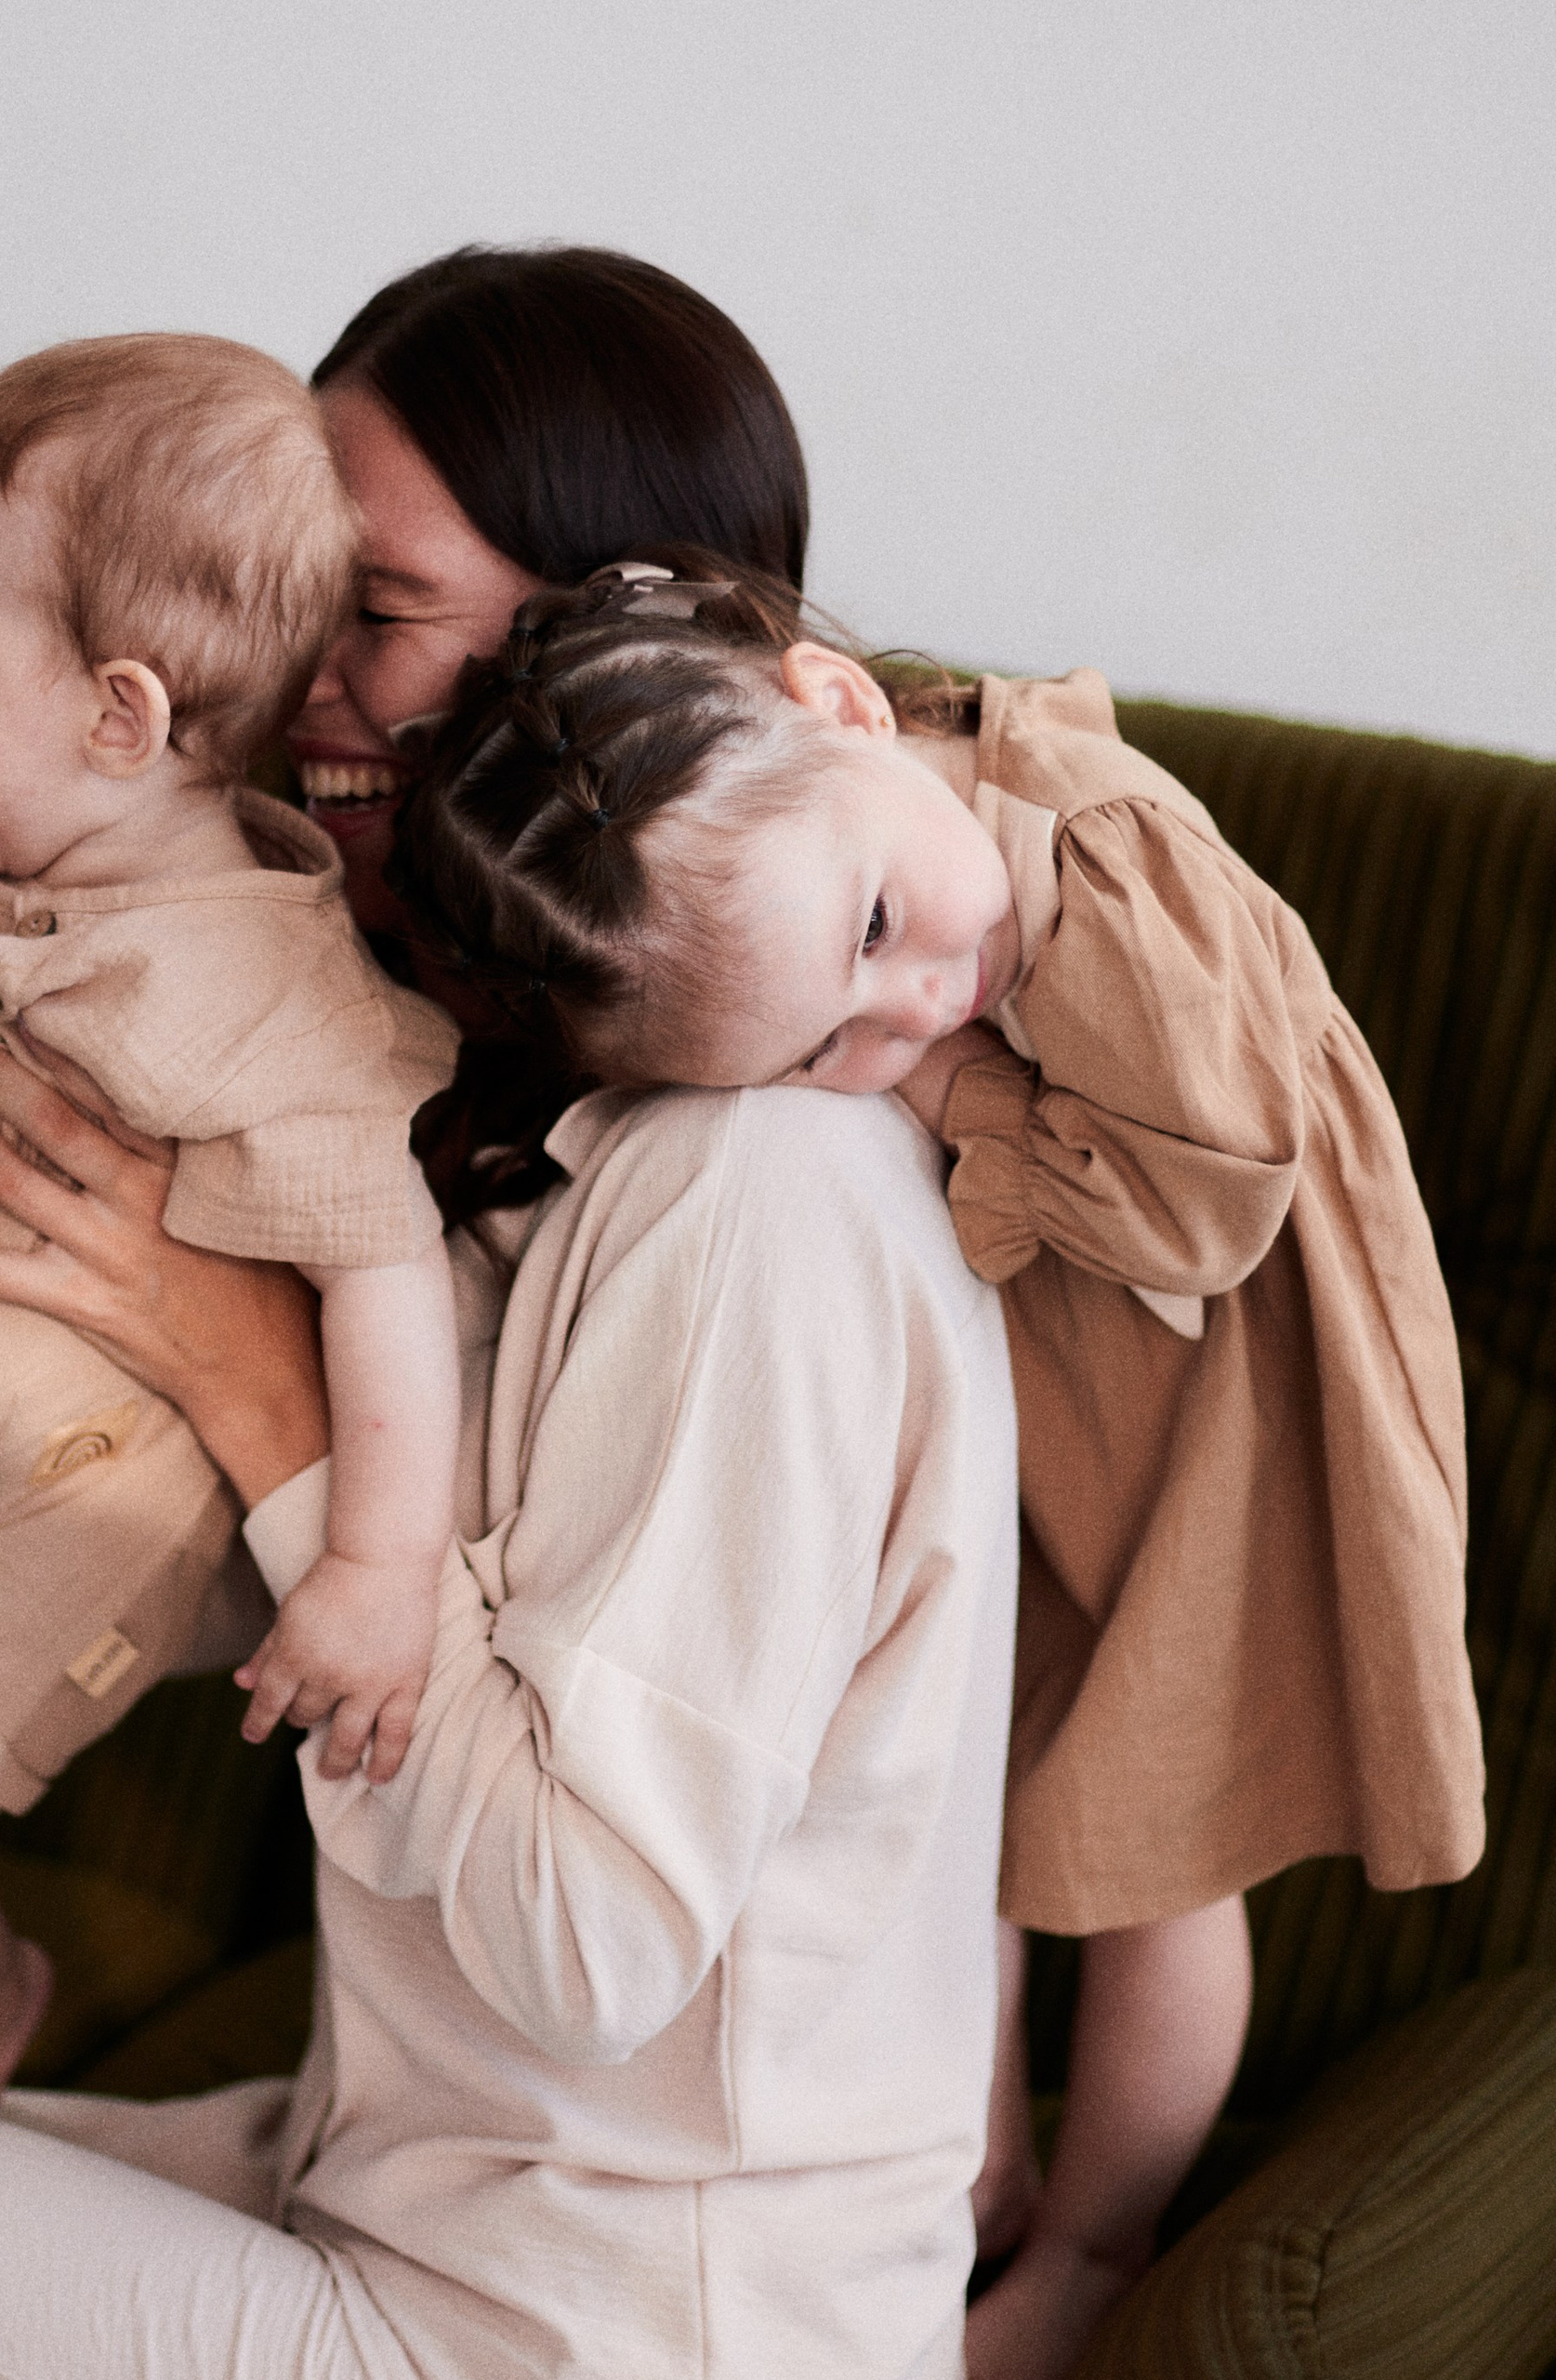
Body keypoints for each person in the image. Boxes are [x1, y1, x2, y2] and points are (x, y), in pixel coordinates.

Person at [0, 248, 1022, 2380]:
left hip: (588, 2328)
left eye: (371, 606)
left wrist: (249, 1386)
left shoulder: (758, 1194)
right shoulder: (481, 1095)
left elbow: (585, 1944)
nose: (275, 657)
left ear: (600, 648)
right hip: (413, 2193)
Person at [386, 554, 1486, 2380]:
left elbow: (1192, 1202)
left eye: (884, 925)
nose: (916, 999)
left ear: (835, 701)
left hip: (1222, 1415)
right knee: (972, 1818)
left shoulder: (1100, 852)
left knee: (1153, 1859)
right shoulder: (830, 846)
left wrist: (930, 1088)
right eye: (831, 1039)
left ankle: (1090, 2244)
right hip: (1063, 1379)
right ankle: (971, 2182)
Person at [0, 332, 460, 2113]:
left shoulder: (267, 985)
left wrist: (376, 1567)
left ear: (119, 715)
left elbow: (383, 1262)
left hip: (52, 1521)